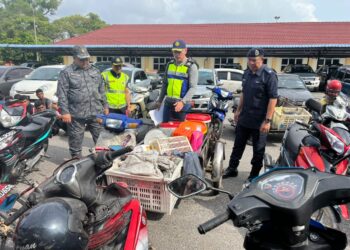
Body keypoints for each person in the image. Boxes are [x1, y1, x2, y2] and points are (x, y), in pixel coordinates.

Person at [223, 48, 278, 181]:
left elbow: (273, 98)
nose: (252, 63)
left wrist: (268, 120)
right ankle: (232, 168)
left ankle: (253, 176)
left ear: (262, 60)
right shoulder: (246, 73)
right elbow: (244, 93)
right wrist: (238, 110)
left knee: (258, 151)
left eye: (255, 60)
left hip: (260, 120)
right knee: (238, 146)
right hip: (245, 117)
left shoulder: (269, 75)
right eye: (250, 60)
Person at [56, 45, 109, 158]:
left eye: (86, 58)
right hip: (76, 114)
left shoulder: (95, 70)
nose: (85, 61)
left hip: (96, 112)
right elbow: (62, 93)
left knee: (101, 140)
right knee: (76, 141)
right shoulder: (66, 72)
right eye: (81, 59)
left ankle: (102, 162)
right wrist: (65, 112)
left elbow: (101, 90)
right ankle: (77, 163)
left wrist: (105, 105)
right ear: (74, 58)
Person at [157, 39, 198, 122]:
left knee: (180, 132)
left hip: (182, 104)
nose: (176, 54)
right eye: (174, 52)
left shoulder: (191, 66)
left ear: (185, 50)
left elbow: (193, 88)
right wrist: (160, 100)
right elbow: (165, 83)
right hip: (168, 103)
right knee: (165, 128)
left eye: (179, 52)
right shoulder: (169, 64)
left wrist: (182, 102)